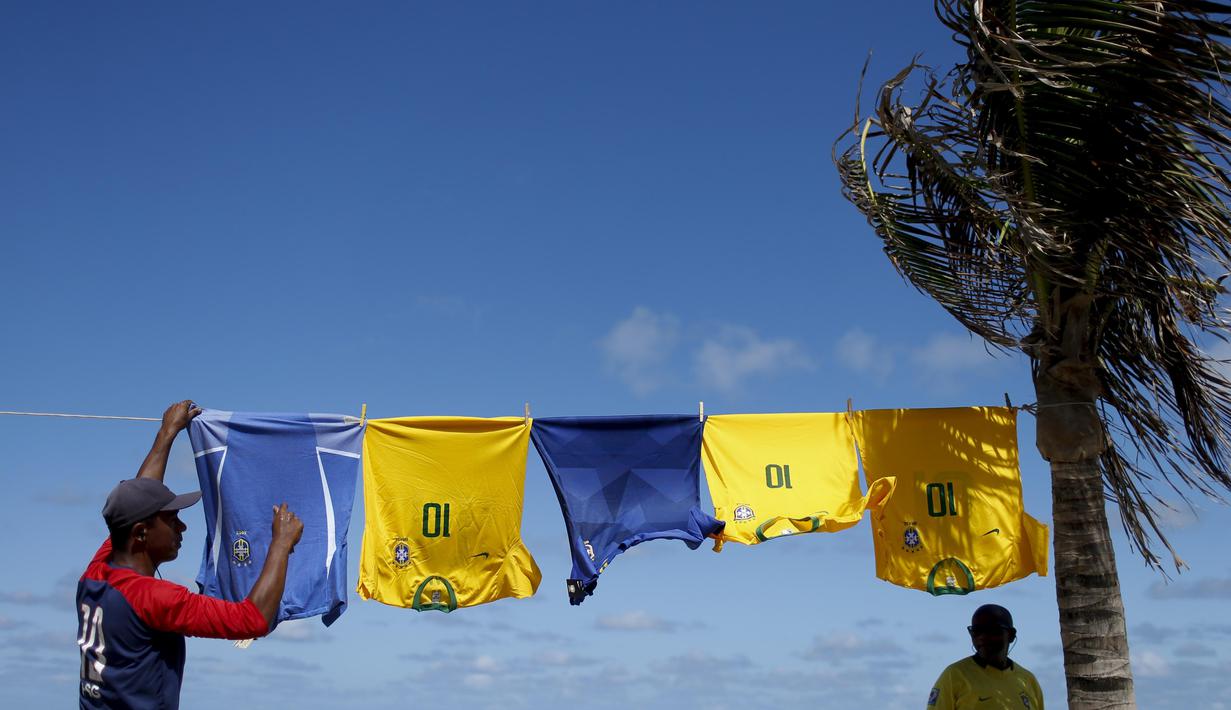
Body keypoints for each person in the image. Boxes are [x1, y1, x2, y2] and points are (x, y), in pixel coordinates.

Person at [76, 400, 305, 709]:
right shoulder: (154, 599)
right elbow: (252, 619)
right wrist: (281, 544)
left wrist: (167, 432)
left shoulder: (95, 575)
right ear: (141, 534)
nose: (182, 527)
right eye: (171, 520)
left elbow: (141, 494)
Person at [927, 604, 1044, 709]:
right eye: (977, 631)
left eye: (992, 630)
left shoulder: (1028, 680)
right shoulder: (954, 675)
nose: (983, 637)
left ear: (1011, 635)